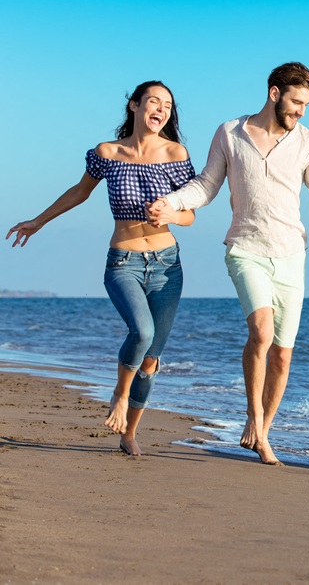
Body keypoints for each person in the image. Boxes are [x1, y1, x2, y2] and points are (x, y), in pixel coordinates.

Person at [146, 62, 309, 466]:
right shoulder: (230, 133)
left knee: (283, 354)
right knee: (260, 332)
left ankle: (264, 432)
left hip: (291, 255)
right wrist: (170, 204)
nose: (301, 111)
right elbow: (206, 185)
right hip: (246, 249)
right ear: (274, 94)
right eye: (296, 102)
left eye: (307, 104)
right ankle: (253, 417)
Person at [7, 81, 197, 456]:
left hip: (167, 265)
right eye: (153, 101)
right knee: (141, 332)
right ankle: (119, 395)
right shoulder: (107, 153)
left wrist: (173, 213)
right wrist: (38, 221)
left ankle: (129, 434)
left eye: (168, 105)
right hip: (123, 261)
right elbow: (79, 192)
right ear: (134, 106)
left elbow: (190, 213)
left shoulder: (176, 154)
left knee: (151, 359)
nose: (161, 109)